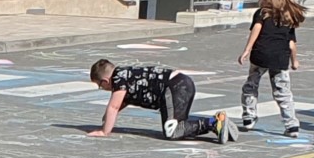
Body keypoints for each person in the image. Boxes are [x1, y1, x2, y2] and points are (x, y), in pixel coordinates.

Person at [88, 59, 230, 143]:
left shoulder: (118, 79)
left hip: (174, 87)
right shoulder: (124, 74)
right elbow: (121, 103)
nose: (102, 88)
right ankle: (218, 126)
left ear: (105, 81)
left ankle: (214, 122)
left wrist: (104, 132)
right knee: (180, 127)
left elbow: (113, 107)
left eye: (100, 86)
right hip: (180, 84)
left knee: (172, 131)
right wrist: (106, 118)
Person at [240, 0, 309, 137]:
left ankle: (249, 116)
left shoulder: (261, 14)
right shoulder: (288, 17)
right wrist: (294, 61)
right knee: (283, 92)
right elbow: (291, 44)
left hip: (261, 55)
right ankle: (291, 125)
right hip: (280, 58)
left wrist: (247, 49)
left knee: (250, 86)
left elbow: (257, 29)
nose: (259, 1)